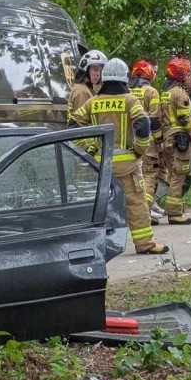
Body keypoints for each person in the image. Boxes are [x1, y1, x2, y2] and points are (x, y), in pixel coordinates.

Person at [70, 58, 169, 254]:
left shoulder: (93, 102)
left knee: (100, 206)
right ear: (124, 80)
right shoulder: (130, 100)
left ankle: (95, 246)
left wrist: (90, 148)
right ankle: (145, 245)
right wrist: (139, 151)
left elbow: (73, 127)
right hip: (127, 167)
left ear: (104, 79)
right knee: (136, 204)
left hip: (100, 165)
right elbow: (143, 125)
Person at [160, 57, 191, 225]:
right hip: (180, 141)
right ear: (181, 76)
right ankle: (175, 213)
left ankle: (175, 209)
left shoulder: (166, 93)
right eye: (189, 75)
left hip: (168, 138)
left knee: (173, 174)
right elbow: (186, 120)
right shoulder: (180, 93)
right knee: (180, 176)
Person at [130, 59, 166, 223]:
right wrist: (159, 140)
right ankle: (146, 212)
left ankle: (139, 211)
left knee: (136, 178)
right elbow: (154, 120)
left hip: (130, 142)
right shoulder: (151, 92)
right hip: (149, 143)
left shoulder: (127, 91)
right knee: (150, 175)